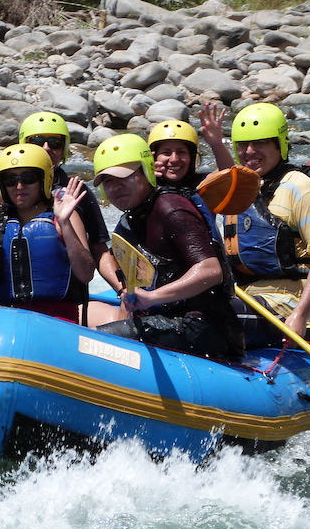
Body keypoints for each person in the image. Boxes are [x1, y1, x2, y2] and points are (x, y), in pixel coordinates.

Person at [91, 134, 244, 360]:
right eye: (108, 181)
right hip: (167, 318)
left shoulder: (171, 209)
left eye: (124, 178)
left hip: (204, 328)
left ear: (147, 172)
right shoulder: (133, 218)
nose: (116, 187)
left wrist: (153, 298)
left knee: (100, 343)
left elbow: (211, 270)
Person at [223, 103, 310, 343]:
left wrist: (300, 315)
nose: (249, 151)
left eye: (261, 143)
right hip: (247, 297)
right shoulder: (241, 190)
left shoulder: (303, 189)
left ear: (280, 144)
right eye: (243, 145)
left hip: (289, 305)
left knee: (213, 316)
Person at [0, 143, 94, 323]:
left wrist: (65, 224)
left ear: (44, 179)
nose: (19, 186)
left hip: (59, 320)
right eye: (10, 180)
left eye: (28, 178)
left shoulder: (63, 217)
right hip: (10, 318)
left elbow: (86, 274)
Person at [18, 111, 121, 292]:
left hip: (65, 295)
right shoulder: (7, 188)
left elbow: (99, 248)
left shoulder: (77, 191)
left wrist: (121, 288)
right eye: (36, 141)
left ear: (64, 149)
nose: (46, 147)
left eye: (55, 143)